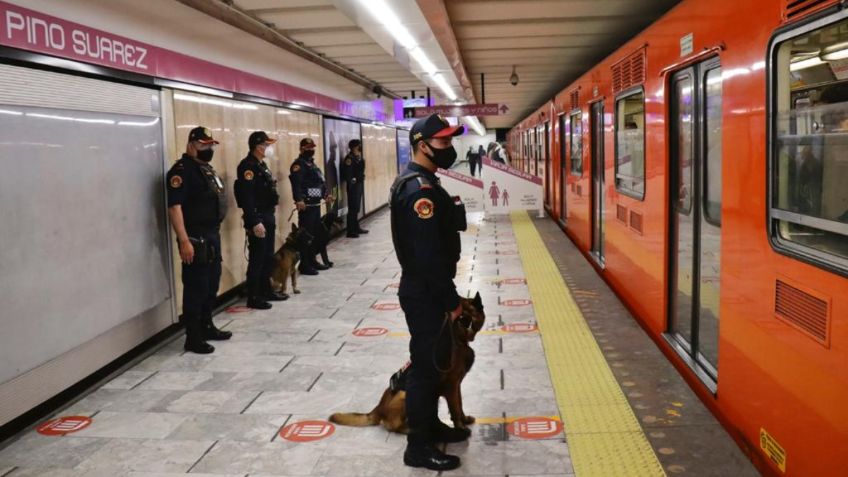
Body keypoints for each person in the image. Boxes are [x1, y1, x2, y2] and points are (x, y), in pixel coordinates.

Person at [389, 114, 470, 471]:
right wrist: (451, 301)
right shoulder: (418, 190)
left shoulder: (423, 182)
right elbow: (426, 257)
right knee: (425, 369)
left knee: (435, 365)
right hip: (426, 292)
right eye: (443, 142)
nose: (449, 148)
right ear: (423, 145)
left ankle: (432, 424)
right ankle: (417, 447)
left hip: (426, 289)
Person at [166, 126, 232, 354]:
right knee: (196, 287)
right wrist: (184, 240)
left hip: (211, 235)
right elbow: (175, 208)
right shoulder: (182, 171)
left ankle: (207, 326)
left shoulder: (205, 169)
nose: (208, 149)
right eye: (204, 145)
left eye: (210, 145)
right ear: (191, 144)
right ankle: (193, 337)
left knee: (211, 284)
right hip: (195, 238)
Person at [234, 131, 287, 309]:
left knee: (267, 257)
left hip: (267, 215)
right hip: (258, 217)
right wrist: (255, 221)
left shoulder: (261, 165)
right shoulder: (247, 167)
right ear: (258, 147)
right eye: (266, 145)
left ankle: (266, 290)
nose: (268, 148)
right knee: (257, 258)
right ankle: (253, 296)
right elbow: (247, 197)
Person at [290, 137, 332, 275]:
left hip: (315, 204)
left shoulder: (312, 164)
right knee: (305, 236)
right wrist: (299, 199)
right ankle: (305, 264)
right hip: (306, 205)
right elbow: (296, 184)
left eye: (313, 147)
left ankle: (312, 260)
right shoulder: (298, 165)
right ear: (302, 149)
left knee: (314, 235)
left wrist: (325, 195)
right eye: (308, 148)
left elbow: (320, 183)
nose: (311, 150)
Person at [340, 138, 369, 238]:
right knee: (352, 208)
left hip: (359, 185)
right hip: (353, 186)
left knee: (356, 208)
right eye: (359, 145)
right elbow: (348, 175)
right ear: (355, 147)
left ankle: (356, 227)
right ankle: (351, 231)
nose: (360, 147)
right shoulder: (349, 159)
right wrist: (354, 182)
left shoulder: (358, 157)